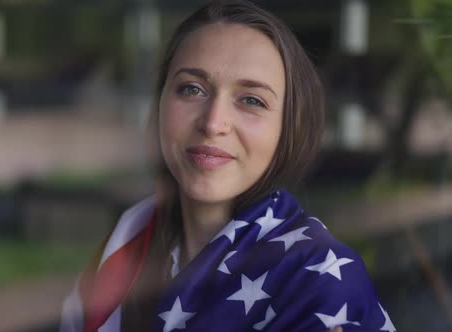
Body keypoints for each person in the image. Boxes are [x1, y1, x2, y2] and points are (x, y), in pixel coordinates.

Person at [61, 1, 396, 331]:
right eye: (191, 89)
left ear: (289, 128)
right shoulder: (127, 242)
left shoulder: (318, 281)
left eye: (252, 100)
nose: (213, 122)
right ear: (160, 101)